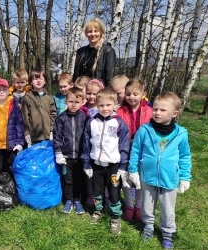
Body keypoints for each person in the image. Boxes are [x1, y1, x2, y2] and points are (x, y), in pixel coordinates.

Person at [128, 92, 192, 249]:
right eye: (155, 109)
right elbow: (135, 151)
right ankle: (148, 226)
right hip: (147, 176)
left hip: (169, 178)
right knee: (147, 205)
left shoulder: (181, 134)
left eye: (163, 110)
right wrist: (133, 171)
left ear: (175, 113)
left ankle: (167, 233)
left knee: (168, 208)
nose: (157, 112)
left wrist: (185, 177)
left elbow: (185, 156)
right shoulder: (144, 130)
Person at [82, 87, 130, 235]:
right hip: (96, 164)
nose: (104, 108)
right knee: (97, 190)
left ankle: (115, 217)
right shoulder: (92, 122)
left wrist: (123, 166)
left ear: (115, 104)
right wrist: (86, 163)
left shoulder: (119, 123)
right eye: (101, 105)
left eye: (108, 105)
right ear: (97, 105)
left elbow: (124, 144)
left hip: (114, 166)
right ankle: (98, 210)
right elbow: (85, 143)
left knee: (114, 191)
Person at [116, 79, 152, 221]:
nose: (131, 97)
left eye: (135, 94)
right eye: (128, 94)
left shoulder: (149, 111)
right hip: (125, 148)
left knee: (140, 179)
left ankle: (138, 206)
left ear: (143, 95)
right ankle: (129, 205)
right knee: (126, 178)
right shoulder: (120, 111)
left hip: (143, 150)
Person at [53, 87, 89, 214]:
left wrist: (86, 154)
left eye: (77, 102)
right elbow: (57, 136)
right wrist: (58, 152)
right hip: (66, 156)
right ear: (66, 102)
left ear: (83, 102)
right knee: (67, 179)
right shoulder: (60, 118)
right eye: (71, 101)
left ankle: (77, 200)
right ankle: (68, 200)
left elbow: (87, 137)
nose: (73, 105)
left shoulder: (85, 118)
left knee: (79, 179)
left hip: (80, 156)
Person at [72, 18, 116, 86]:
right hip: (80, 92)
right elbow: (75, 76)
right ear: (86, 34)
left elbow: (109, 79)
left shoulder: (108, 51)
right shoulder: (80, 52)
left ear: (101, 33)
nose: (93, 34)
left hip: (97, 93)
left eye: (96, 31)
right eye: (90, 31)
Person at [21, 69, 56, 146]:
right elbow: (25, 117)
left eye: (41, 78)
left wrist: (52, 130)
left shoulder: (49, 97)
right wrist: (26, 133)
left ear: (45, 81)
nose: (38, 81)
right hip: (34, 136)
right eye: (35, 79)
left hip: (47, 135)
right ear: (30, 82)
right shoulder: (27, 97)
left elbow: (53, 114)